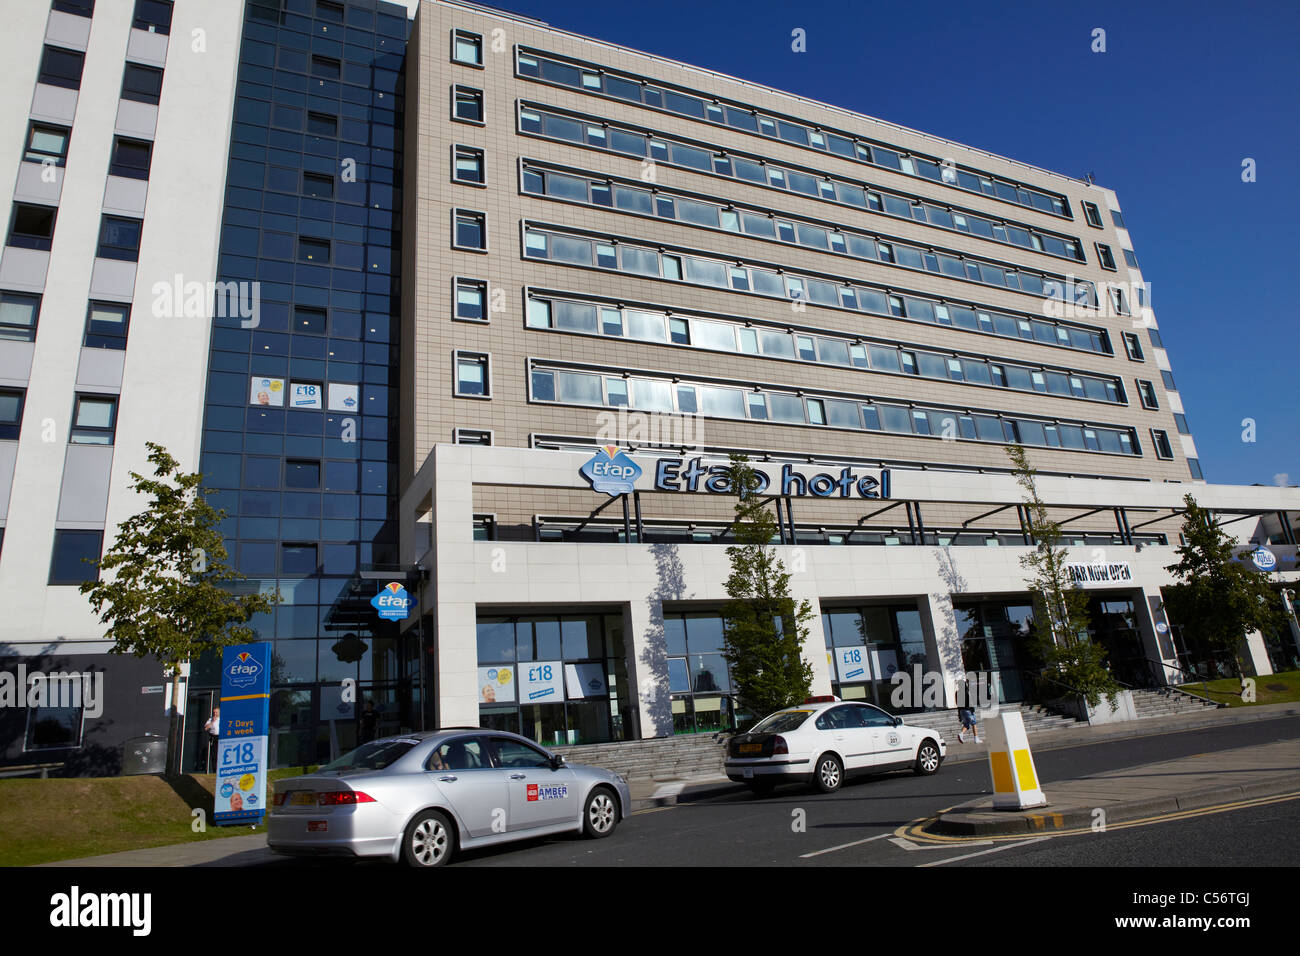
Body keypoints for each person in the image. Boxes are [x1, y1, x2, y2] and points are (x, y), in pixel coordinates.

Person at [202, 706, 221, 772]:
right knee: (214, 754)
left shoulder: (221, 719)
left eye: (216, 712)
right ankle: (214, 770)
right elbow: (206, 728)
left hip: (220, 737)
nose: (215, 714)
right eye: (214, 712)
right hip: (213, 737)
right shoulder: (210, 719)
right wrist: (212, 721)